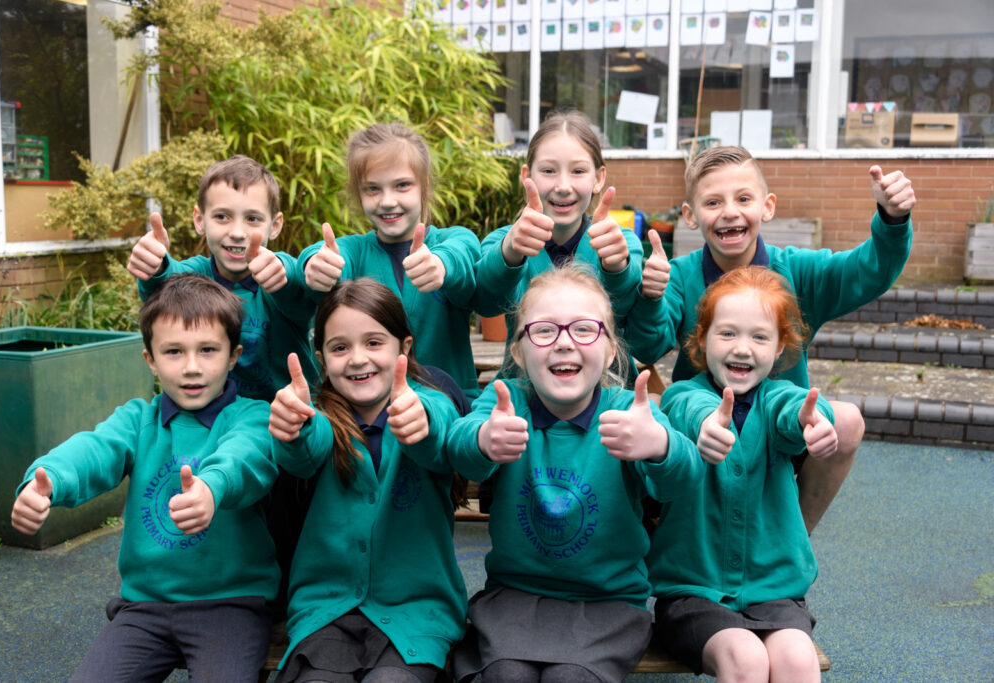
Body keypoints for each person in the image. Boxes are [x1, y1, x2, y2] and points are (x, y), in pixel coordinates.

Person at [626, 145, 914, 532]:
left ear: (767, 206)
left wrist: (892, 221)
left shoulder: (797, 270)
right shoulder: (679, 275)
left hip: (783, 432)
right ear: (691, 216)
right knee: (647, 409)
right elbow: (646, 346)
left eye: (743, 198)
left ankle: (793, 540)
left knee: (846, 421)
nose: (730, 211)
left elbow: (868, 270)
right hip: (701, 428)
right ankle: (661, 534)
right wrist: (651, 296)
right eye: (713, 201)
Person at [10, 274, 279, 682]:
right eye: (173, 352)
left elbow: (246, 456)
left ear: (233, 355)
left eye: (208, 350)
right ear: (150, 359)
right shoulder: (139, 420)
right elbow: (95, 449)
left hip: (230, 605)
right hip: (145, 607)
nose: (192, 367)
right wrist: (48, 479)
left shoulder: (252, 415)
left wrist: (211, 487)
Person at [445, 266, 702, 683]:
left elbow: (683, 479)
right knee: (505, 676)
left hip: (608, 603)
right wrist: (483, 440)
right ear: (518, 351)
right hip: (516, 596)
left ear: (610, 345)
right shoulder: (506, 404)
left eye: (584, 329)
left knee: (571, 678)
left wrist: (660, 446)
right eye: (544, 331)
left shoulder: (630, 412)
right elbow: (461, 449)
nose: (564, 343)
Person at [268, 278, 467, 683]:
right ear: (321, 358)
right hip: (326, 611)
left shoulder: (427, 404)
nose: (358, 359)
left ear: (404, 349)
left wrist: (422, 420)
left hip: (417, 613)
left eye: (374, 342)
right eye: (340, 347)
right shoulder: (320, 418)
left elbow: (439, 425)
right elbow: (306, 449)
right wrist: (294, 428)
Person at [652, 266, 839, 683]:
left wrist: (815, 421)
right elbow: (686, 410)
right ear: (702, 340)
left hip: (773, 590)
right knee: (746, 659)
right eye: (728, 333)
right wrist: (707, 426)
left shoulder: (778, 399)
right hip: (694, 593)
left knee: (796, 659)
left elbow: (795, 413)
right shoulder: (685, 394)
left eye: (759, 337)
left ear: (778, 349)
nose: (743, 348)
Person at [297, 122, 483, 398]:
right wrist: (317, 264)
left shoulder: (451, 241)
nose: (386, 201)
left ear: (424, 186)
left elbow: (463, 252)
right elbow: (323, 256)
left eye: (402, 185)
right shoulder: (356, 250)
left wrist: (441, 264)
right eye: (372, 189)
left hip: (449, 407)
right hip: (367, 414)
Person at [127, 154, 318, 402]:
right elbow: (165, 285)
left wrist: (281, 275)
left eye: (253, 219)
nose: (237, 233)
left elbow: (295, 285)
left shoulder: (277, 271)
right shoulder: (195, 275)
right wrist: (155, 264)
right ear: (199, 220)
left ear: (275, 225)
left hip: (291, 415)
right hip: (218, 418)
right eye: (222, 217)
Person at [473, 109, 644, 380]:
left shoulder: (621, 241)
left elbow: (627, 309)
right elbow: (486, 300)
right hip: (523, 396)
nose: (563, 186)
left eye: (578, 171)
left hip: (611, 397)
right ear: (526, 175)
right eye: (549, 171)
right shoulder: (502, 242)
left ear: (598, 178)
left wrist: (616, 267)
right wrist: (510, 253)